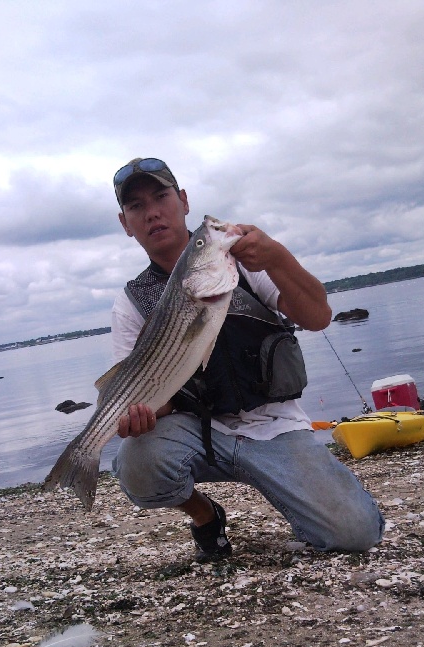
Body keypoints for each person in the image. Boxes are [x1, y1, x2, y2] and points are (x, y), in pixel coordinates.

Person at [110, 157, 384, 562]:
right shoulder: (131, 303)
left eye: (161, 196)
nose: (152, 212)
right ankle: (205, 515)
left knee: (357, 534)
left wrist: (276, 256)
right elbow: (154, 397)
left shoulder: (240, 260)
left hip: (275, 426)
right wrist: (139, 412)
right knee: (135, 460)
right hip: (200, 434)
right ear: (126, 223)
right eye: (136, 206)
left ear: (183, 201)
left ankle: (307, 502)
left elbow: (318, 317)